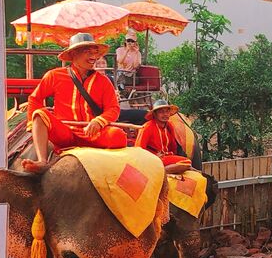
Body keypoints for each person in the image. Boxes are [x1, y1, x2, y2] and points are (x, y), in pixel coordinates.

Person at [21, 33, 127, 174]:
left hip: (92, 135)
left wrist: (99, 121)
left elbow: (113, 109)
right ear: (73, 54)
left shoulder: (104, 81)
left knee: (118, 135)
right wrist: (34, 126)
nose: (93, 57)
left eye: (95, 52)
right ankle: (42, 161)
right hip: (65, 133)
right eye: (88, 52)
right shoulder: (54, 75)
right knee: (39, 114)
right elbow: (34, 99)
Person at [135, 99, 192, 174]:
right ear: (155, 114)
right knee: (186, 162)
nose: (165, 114)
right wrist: (153, 157)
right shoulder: (147, 127)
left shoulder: (169, 126)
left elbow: (173, 147)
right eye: (161, 112)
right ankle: (160, 173)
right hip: (152, 159)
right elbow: (139, 149)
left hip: (166, 157)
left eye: (167, 111)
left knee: (188, 165)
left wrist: (173, 160)